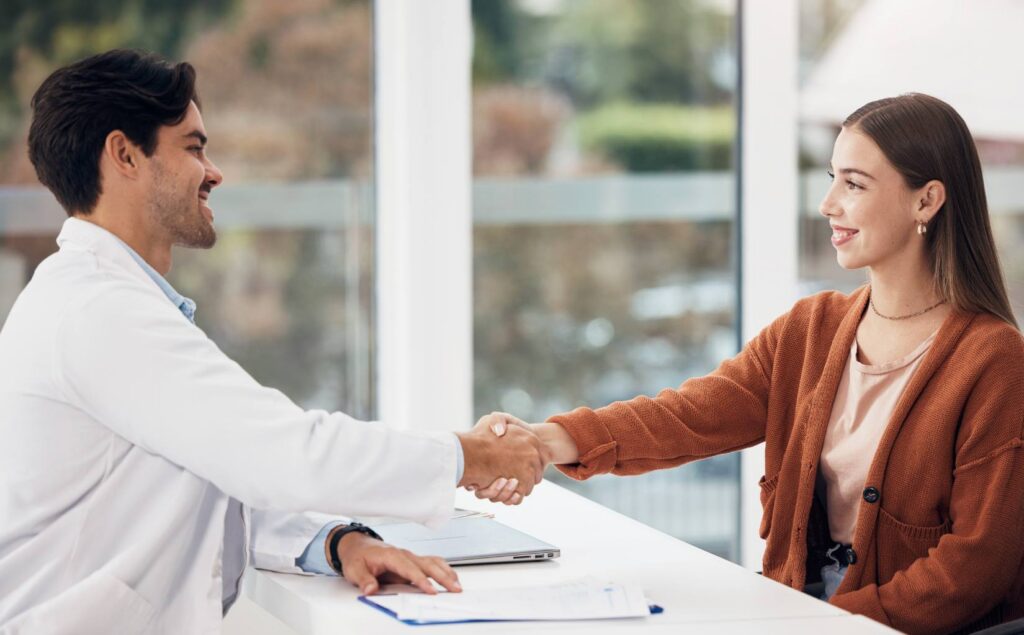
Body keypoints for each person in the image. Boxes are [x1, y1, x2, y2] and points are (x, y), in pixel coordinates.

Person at [0, 49, 545, 634]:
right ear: (125, 155)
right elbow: (283, 454)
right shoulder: (98, 311)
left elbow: (219, 471)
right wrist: (469, 455)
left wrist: (339, 541)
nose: (214, 172)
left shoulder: (100, 300)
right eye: (193, 146)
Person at [476, 93, 1024, 634]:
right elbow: (687, 416)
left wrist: (816, 624)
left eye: (854, 184)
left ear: (926, 201)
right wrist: (544, 441)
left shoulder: (994, 363)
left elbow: (971, 570)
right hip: (799, 614)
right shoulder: (811, 330)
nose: (828, 203)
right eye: (832, 177)